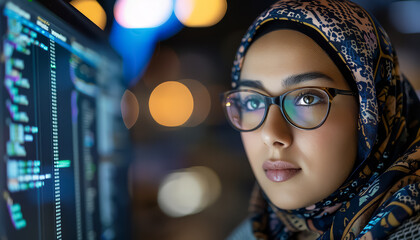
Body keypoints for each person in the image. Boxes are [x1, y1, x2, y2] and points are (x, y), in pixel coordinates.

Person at [221, 0, 420, 239]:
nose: (271, 135)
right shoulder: (251, 234)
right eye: (252, 102)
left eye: (306, 99)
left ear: (373, 107)